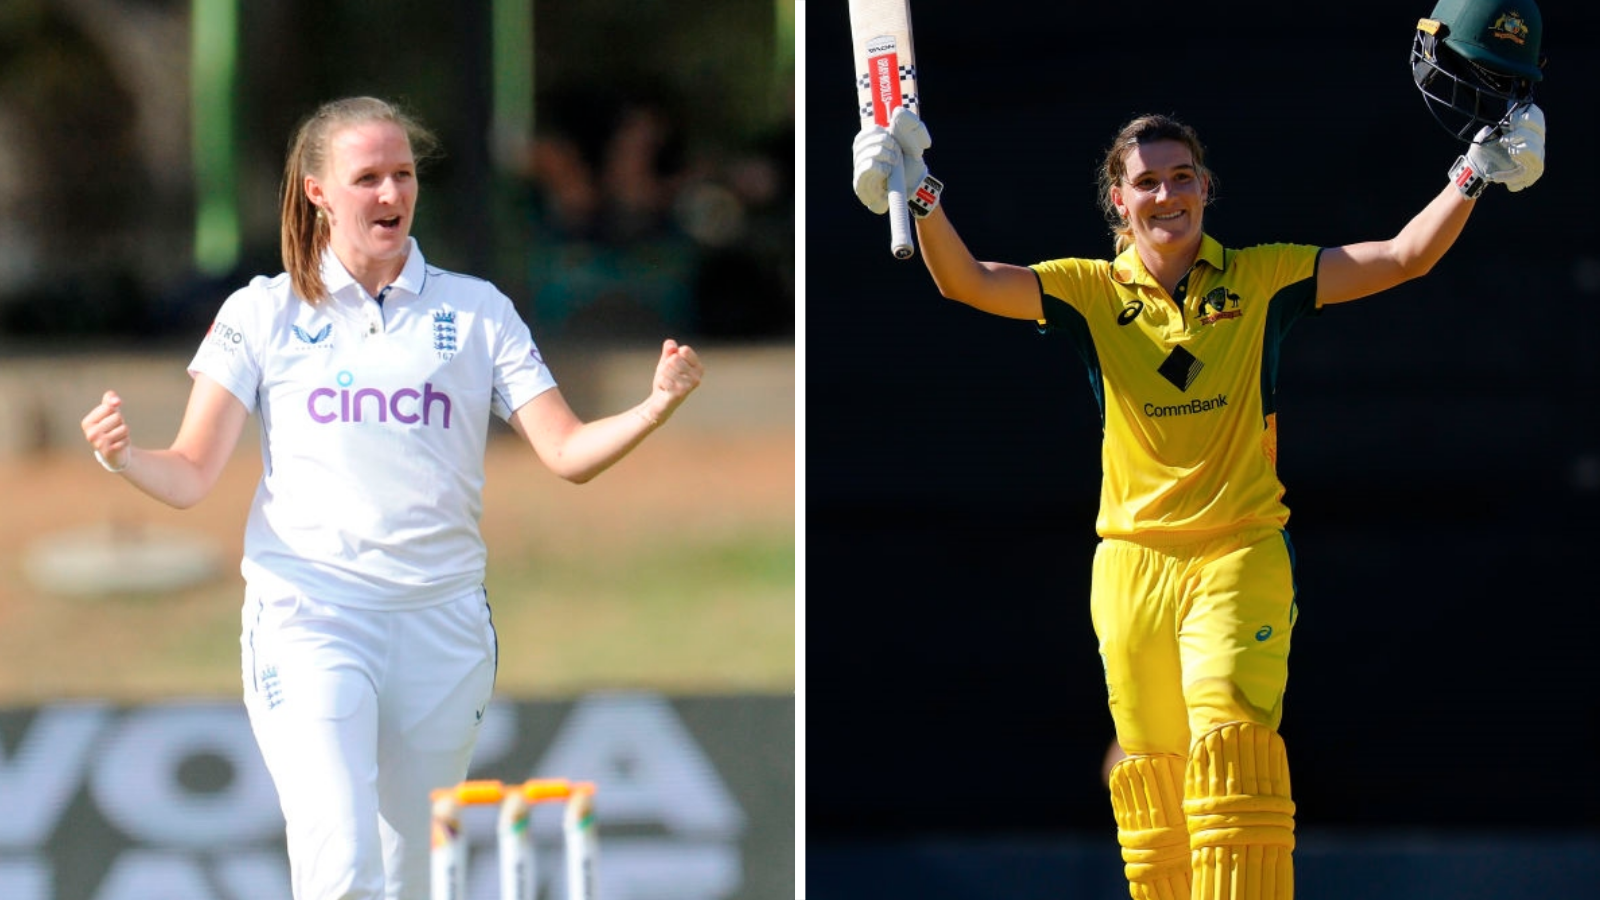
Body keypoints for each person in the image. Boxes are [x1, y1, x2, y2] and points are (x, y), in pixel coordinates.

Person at [849, 3, 1544, 898]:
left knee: (1231, 755)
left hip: (1237, 548)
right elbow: (967, 282)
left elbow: (1402, 257)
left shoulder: (1261, 279)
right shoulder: (1090, 293)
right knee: (1153, 787)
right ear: (1118, 200)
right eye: (1147, 183)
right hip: (1131, 563)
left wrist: (1474, 172)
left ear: (1206, 188)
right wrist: (920, 190)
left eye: (1182, 178)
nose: (1166, 195)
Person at [79, 96, 704, 900]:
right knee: (340, 867)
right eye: (367, 177)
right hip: (313, 613)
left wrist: (654, 406)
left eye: (402, 175)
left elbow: (566, 452)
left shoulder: (477, 311)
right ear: (317, 192)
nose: (390, 195)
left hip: (443, 626)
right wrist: (124, 458)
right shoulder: (263, 312)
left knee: (408, 883)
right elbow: (192, 472)